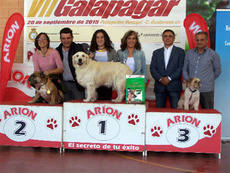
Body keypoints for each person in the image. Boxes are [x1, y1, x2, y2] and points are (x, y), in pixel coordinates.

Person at [183, 31, 221, 109]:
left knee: (207, 113)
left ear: (206, 40)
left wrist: (209, 80)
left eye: (202, 40)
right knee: (190, 115)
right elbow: (184, 69)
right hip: (191, 89)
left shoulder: (213, 54)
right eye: (197, 40)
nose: (199, 42)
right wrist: (188, 80)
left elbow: (218, 71)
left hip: (206, 89)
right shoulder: (189, 53)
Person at [150, 29, 185, 108]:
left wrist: (169, 78)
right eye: (165, 36)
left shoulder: (180, 52)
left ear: (174, 38)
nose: (168, 38)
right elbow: (152, 68)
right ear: (162, 38)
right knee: (159, 113)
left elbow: (181, 68)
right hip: (160, 87)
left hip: (174, 87)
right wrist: (160, 79)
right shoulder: (156, 52)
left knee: (175, 113)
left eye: (170, 36)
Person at [56, 27, 86, 101]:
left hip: (77, 85)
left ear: (72, 38)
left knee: (79, 107)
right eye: (63, 38)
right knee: (65, 108)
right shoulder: (56, 51)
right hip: (63, 86)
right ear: (60, 39)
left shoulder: (79, 49)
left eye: (68, 38)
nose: (66, 41)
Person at [89, 29, 118, 100]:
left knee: (106, 102)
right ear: (94, 39)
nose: (100, 39)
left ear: (105, 38)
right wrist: (90, 59)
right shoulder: (90, 52)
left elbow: (115, 66)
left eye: (102, 37)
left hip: (108, 82)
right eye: (97, 37)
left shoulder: (112, 52)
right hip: (94, 83)